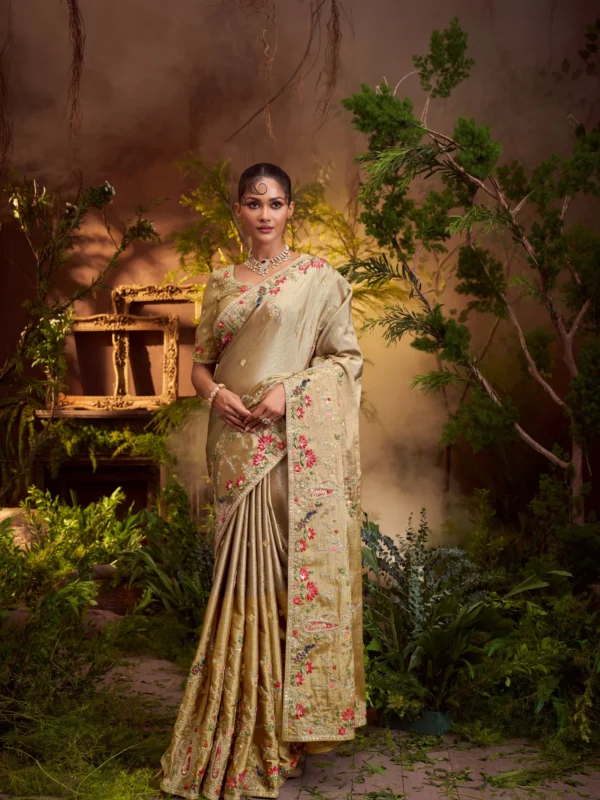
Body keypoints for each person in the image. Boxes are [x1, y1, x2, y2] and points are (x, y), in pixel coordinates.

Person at [160, 163, 366, 800]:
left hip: (287, 449)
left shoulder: (318, 279)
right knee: (240, 579)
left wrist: (291, 392)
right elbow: (200, 366)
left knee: (283, 581)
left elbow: (345, 360)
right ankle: (241, 722)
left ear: (291, 209)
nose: (266, 214)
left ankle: (285, 732)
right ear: (239, 212)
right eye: (254, 203)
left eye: (276, 203)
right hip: (233, 449)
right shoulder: (221, 283)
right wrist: (215, 394)